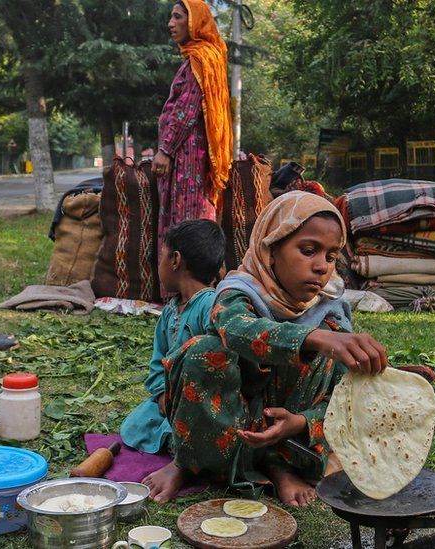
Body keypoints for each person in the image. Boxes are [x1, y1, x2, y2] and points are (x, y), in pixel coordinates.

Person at [142, 192, 389, 507]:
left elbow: (344, 399)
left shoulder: (330, 312)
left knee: (346, 374)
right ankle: (187, 464)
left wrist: (300, 422)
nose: (321, 267)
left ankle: (278, 464)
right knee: (204, 350)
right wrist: (311, 338)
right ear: (270, 248)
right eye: (308, 250)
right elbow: (237, 330)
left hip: (289, 432)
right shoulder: (236, 293)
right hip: (230, 430)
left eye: (330, 256)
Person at [120, 219, 226, 454]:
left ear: (175, 260)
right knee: (135, 424)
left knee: (187, 429)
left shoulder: (210, 305)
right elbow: (158, 361)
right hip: (169, 401)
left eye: (162, 257)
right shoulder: (169, 312)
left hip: (201, 402)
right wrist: (161, 395)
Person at [152, 0, 233, 255]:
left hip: (187, 159)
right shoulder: (205, 56)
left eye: (177, 17)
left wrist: (165, 150)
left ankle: (185, 291)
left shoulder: (200, 59)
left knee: (185, 225)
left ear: (194, 21)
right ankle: (188, 288)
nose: (170, 23)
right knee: (192, 223)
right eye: (171, 17)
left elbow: (186, 110)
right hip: (190, 156)